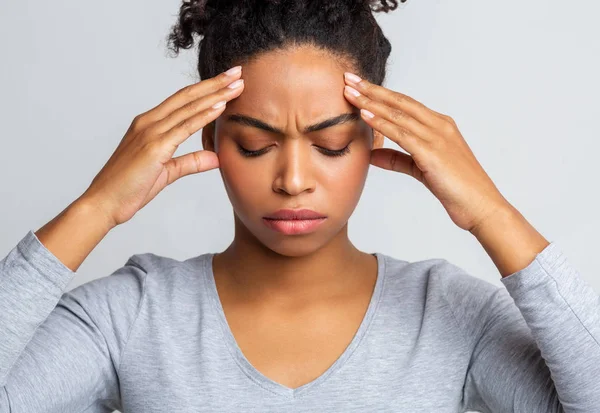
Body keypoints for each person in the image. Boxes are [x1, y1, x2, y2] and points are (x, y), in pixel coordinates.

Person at [1, 0, 598, 411]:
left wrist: (493, 215)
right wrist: (95, 208)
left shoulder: (449, 315)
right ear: (212, 140)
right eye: (256, 144)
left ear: (374, 140)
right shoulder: (130, 315)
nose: (292, 179)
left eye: (332, 145)